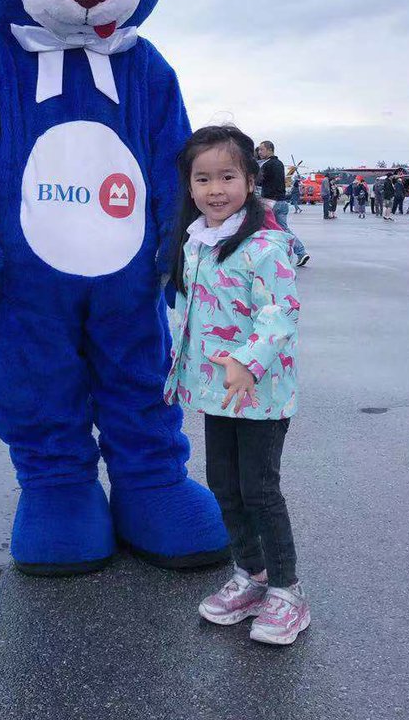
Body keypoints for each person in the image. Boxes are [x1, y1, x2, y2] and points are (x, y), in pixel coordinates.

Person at [165, 125, 309, 646]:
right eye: (202, 179)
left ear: (250, 180)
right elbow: (185, 314)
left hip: (261, 395)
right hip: (213, 392)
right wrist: (175, 371)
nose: (215, 189)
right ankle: (252, 576)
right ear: (189, 186)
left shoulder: (267, 246)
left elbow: (280, 313)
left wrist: (248, 361)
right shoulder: (195, 242)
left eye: (227, 176)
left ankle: (288, 592)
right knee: (224, 485)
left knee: (260, 490)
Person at [257, 141, 310, 267]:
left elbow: (259, 181)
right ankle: (299, 253)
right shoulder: (280, 164)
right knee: (283, 229)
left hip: (270, 202)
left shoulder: (267, 165)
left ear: (270, 150)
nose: (259, 152)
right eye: (259, 150)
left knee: (262, 229)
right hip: (282, 202)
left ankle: (275, 256)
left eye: (261, 150)